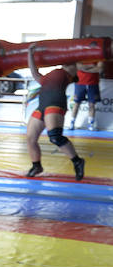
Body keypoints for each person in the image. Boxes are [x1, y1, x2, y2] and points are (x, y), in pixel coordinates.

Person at [24, 48, 85, 180]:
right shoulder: (47, 77)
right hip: (42, 105)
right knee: (30, 138)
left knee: (55, 137)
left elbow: (77, 60)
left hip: (55, 103)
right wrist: (30, 54)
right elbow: (34, 73)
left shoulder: (68, 73)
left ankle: (77, 161)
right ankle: (36, 165)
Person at [68, 62, 102, 130]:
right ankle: (71, 123)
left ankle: (91, 125)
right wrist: (92, 66)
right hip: (80, 82)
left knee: (92, 104)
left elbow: (99, 69)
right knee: (76, 103)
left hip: (93, 83)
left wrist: (84, 68)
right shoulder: (81, 54)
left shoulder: (98, 55)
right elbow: (78, 66)